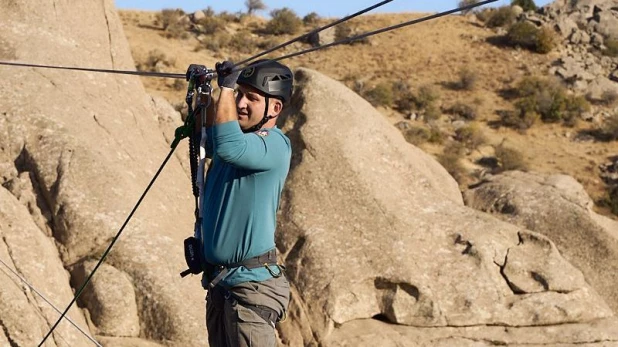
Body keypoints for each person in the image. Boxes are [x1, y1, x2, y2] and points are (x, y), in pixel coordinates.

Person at [198, 59, 293, 347]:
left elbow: (228, 147)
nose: (240, 103)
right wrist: (203, 93)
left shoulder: (273, 145)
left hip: (251, 288)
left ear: (275, 108)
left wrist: (225, 88)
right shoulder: (236, 141)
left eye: (251, 98)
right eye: (238, 94)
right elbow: (201, 135)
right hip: (222, 285)